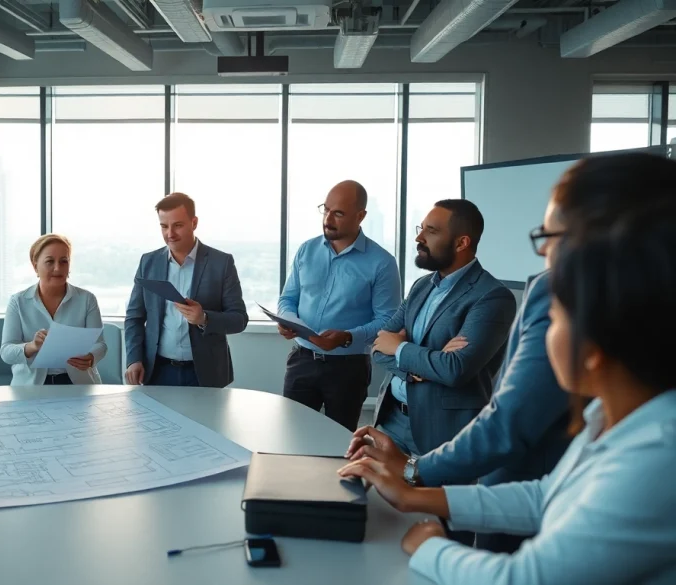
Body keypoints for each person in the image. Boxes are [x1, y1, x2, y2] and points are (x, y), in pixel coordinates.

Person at [346, 152, 676, 554]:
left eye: (550, 237)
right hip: (405, 427)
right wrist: (414, 359)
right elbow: (383, 344)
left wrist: (431, 538)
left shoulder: (503, 295)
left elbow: (463, 377)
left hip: (456, 442)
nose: (542, 256)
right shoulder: (601, 417)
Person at [370, 200, 515, 457]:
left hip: (443, 432)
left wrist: (401, 348)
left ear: (461, 243)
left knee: (430, 498)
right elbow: (380, 345)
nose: (419, 237)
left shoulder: (492, 297)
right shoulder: (421, 286)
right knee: (378, 497)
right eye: (421, 228)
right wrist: (417, 367)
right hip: (392, 421)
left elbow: (454, 370)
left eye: (431, 231)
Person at [277, 180, 401, 431]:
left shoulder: (382, 263)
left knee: (340, 442)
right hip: (302, 360)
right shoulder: (306, 250)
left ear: (361, 216)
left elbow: (388, 321)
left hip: (348, 369)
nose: (328, 218)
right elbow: (288, 298)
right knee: (291, 437)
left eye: (339, 213)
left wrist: (347, 337)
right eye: (326, 209)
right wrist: (287, 320)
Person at [124, 192, 249, 388]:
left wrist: (204, 319)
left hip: (205, 374)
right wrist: (134, 359)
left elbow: (239, 319)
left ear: (194, 222)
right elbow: (134, 317)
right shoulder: (148, 262)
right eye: (164, 226)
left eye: (178, 225)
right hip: (157, 371)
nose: (170, 234)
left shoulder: (221, 263)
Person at [0, 234, 107, 385]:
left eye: (64, 261)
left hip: (79, 383)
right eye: (50, 261)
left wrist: (91, 357)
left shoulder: (87, 299)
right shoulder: (18, 302)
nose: (58, 268)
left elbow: (100, 344)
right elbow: (6, 352)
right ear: (35, 265)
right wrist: (33, 346)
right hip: (31, 386)